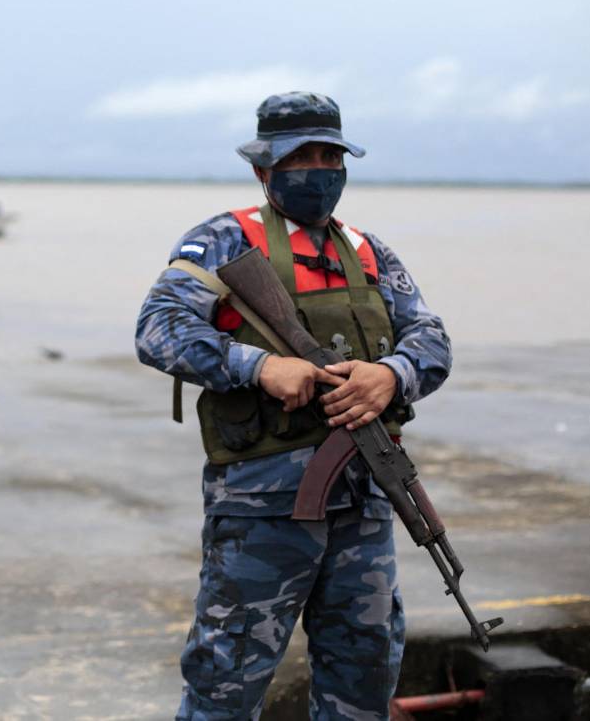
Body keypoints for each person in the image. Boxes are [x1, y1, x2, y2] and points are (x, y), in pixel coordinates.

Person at [134, 92, 452, 720]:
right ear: (264, 168)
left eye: (330, 155)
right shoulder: (223, 240)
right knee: (226, 678)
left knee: (366, 669)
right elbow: (157, 327)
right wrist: (259, 366)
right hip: (262, 508)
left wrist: (392, 375)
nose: (319, 169)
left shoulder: (367, 251)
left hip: (364, 500)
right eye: (301, 156)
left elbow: (431, 337)